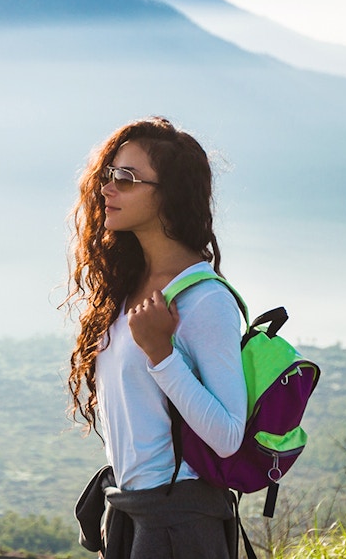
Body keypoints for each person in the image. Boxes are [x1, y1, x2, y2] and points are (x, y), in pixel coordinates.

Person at [66, 117, 247, 559]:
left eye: (126, 179)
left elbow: (228, 435)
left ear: (169, 194)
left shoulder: (205, 300)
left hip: (179, 523)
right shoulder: (128, 286)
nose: (108, 188)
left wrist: (162, 354)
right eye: (108, 175)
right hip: (134, 513)